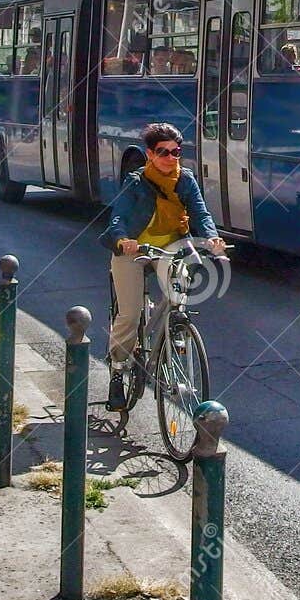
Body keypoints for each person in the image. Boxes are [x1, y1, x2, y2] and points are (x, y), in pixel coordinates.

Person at [99, 123, 225, 411]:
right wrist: (122, 240)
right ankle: (118, 371)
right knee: (129, 314)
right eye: (163, 152)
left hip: (170, 248)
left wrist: (212, 238)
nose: (170, 157)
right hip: (135, 248)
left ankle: (174, 331)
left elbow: (200, 212)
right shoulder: (136, 181)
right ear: (150, 154)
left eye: (176, 152)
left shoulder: (185, 180)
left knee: (178, 293)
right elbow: (118, 216)